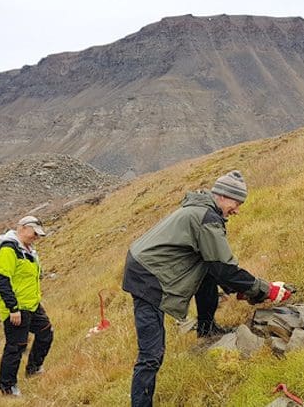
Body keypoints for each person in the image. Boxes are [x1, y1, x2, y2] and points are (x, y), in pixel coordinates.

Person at [122, 170, 293, 407]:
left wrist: (243, 290)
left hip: (145, 265)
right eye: (236, 202)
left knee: (207, 273)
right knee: (151, 353)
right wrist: (266, 290)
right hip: (148, 276)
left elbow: (214, 265)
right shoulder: (206, 218)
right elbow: (226, 269)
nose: (238, 210)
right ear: (222, 196)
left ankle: (206, 328)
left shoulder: (203, 211)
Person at [0, 215, 53, 396]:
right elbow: (2, 281)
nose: (36, 237)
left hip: (32, 305)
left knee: (46, 332)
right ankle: (7, 387)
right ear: (23, 228)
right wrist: (13, 308)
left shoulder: (28, 250)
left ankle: (34, 368)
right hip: (17, 309)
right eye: (34, 233)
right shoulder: (8, 250)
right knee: (16, 346)